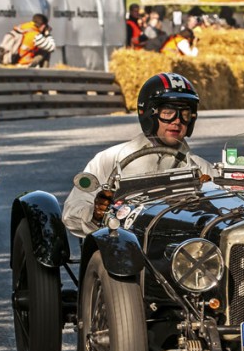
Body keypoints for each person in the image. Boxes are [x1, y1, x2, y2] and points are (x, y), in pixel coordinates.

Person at [62, 73, 213, 237]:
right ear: (149, 114)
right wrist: (96, 213)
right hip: (121, 249)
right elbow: (71, 212)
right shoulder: (110, 159)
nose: (177, 121)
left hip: (186, 254)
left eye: (184, 114)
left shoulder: (201, 168)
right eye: (168, 113)